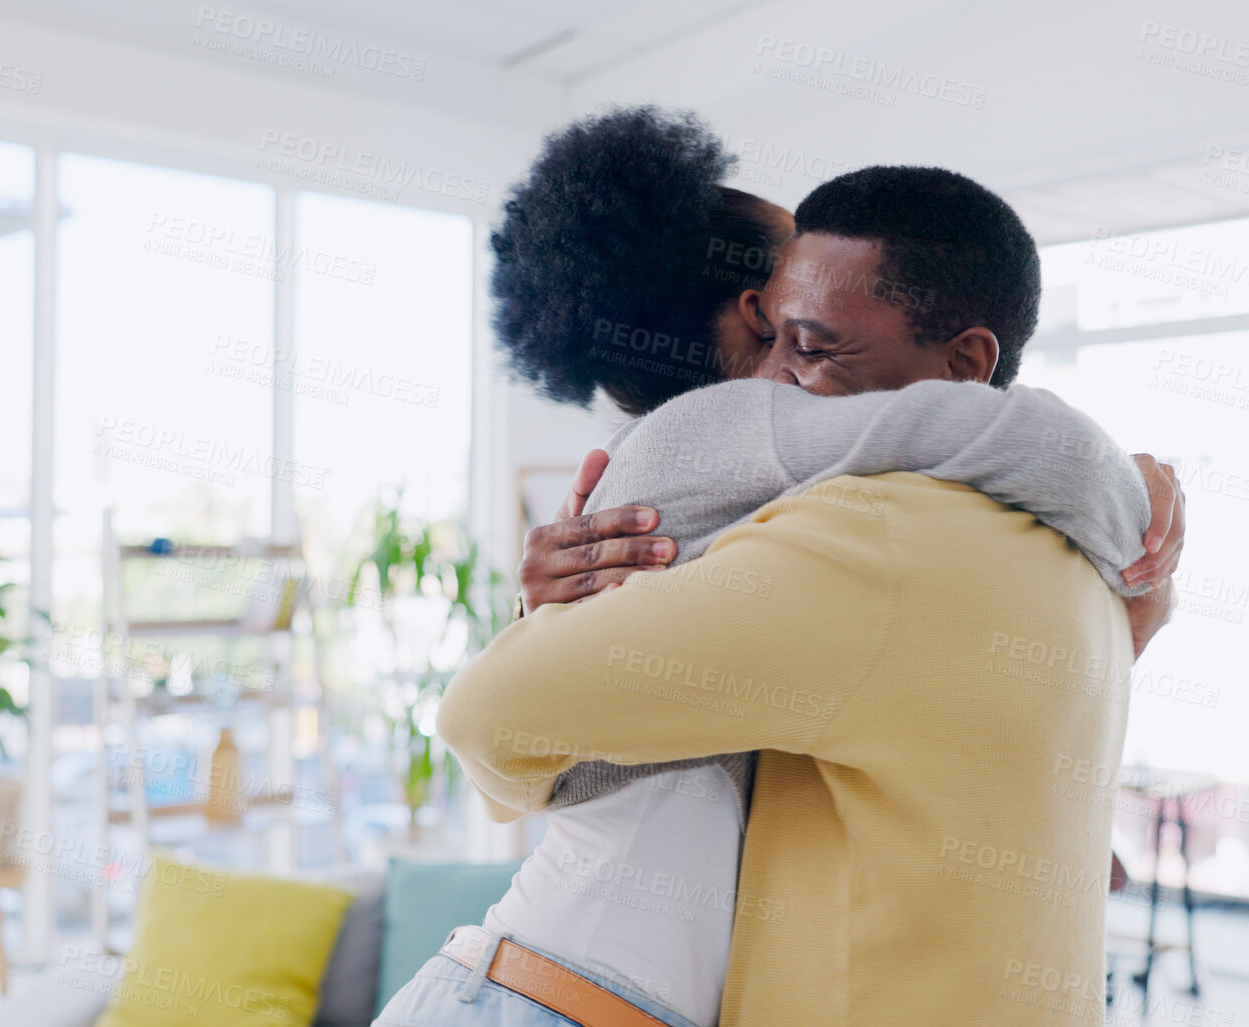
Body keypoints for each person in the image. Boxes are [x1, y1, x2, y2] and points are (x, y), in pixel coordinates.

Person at [405, 154, 1178, 1026]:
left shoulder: (868, 534)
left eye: (812, 344)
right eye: (778, 334)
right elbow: (490, 718)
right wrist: (1134, 521)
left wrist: (540, 625)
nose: (789, 374)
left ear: (964, 360)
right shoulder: (1046, 558)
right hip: (548, 990)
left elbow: (507, 740)